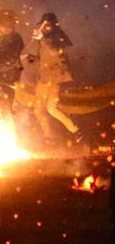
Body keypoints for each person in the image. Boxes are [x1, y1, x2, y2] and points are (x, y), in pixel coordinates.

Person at [23, 12, 83, 145]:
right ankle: (67, 132)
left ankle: (56, 135)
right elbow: (45, 57)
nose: (44, 27)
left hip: (51, 78)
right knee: (46, 109)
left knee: (44, 108)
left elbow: (55, 52)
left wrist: (41, 38)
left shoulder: (56, 37)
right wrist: (31, 58)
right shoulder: (47, 37)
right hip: (47, 78)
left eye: (47, 25)